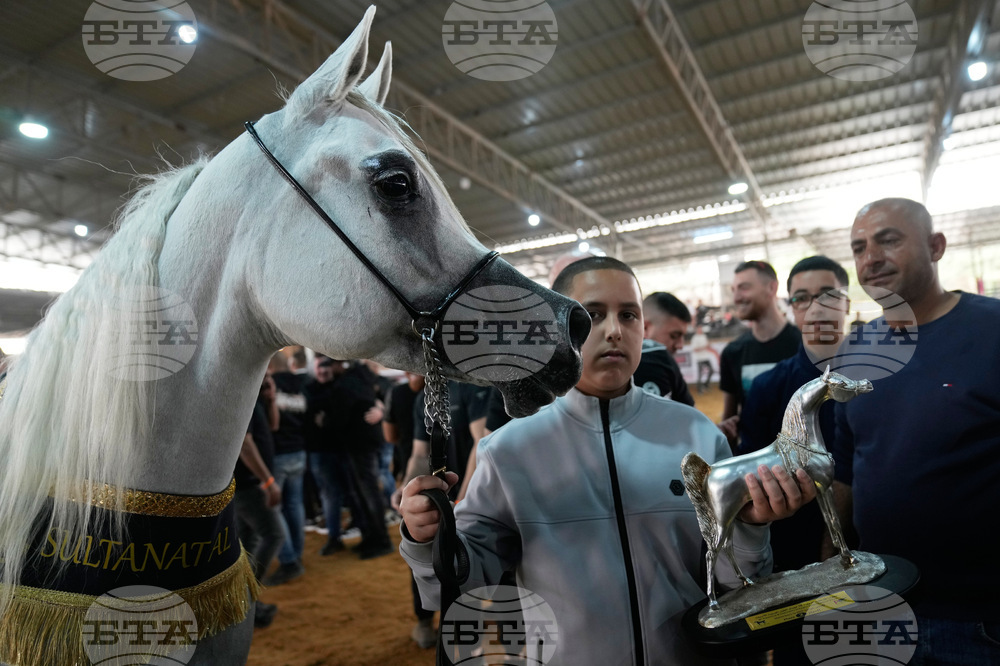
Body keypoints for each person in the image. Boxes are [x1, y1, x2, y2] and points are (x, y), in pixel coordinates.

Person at [399, 256, 817, 664]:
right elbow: (460, 586)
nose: (614, 331)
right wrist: (426, 541)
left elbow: (734, 578)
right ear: (558, 329)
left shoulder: (697, 436)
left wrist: (750, 526)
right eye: (593, 315)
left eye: (629, 315)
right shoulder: (509, 451)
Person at [832, 198, 1000, 664]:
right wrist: (830, 564)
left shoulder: (992, 330)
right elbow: (846, 466)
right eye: (859, 247)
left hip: (980, 621)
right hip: (879, 606)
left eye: (889, 240)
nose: (871, 258)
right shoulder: (853, 352)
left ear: (936, 246)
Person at [719, 260, 801, 447]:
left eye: (744, 288)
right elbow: (729, 419)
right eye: (734, 290)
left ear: (772, 288)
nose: (737, 297)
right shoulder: (733, 352)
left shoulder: (802, 346)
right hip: (753, 465)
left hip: (800, 467)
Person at [233, 374, 283, 627]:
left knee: (249, 544)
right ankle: (244, 602)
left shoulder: (256, 397)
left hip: (248, 484)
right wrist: (267, 482)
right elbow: (244, 444)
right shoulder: (241, 395)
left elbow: (274, 427)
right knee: (274, 535)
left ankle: (245, 605)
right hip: (249, 485)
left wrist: (271, 398)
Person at [262, 351, 309, 586]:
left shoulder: (268, 385)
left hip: (278, 454)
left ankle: (289, 560)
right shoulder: (302, 383)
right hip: (300, 451)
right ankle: (296, 555)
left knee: (275, 509)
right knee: (294, 505)